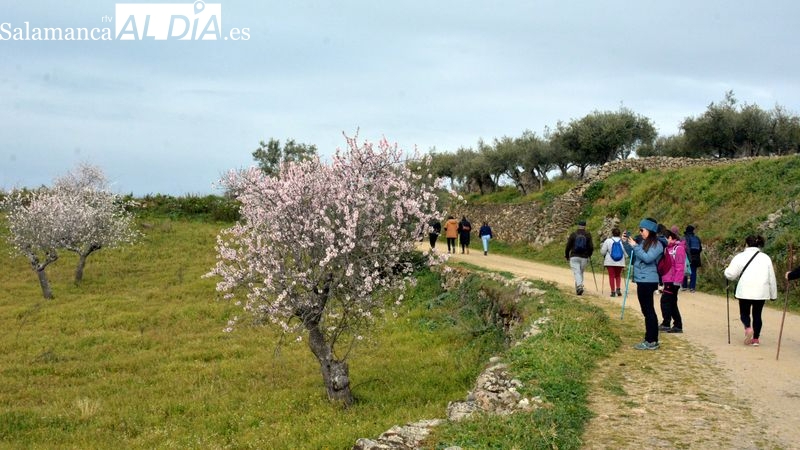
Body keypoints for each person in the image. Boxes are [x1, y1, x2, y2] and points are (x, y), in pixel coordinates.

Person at [724, 235, 777, 347]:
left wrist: (726, 271)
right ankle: (756, 339)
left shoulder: (740, 257)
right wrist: (773, 294)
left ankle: (748, 328)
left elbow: (731, 274)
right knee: (757, 315)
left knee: (744, 313)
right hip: (761, 291)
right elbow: (771, 277)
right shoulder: (766, 258)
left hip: (745, 291)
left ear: (746, 244)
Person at [622, 218, 664, 350]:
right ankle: (649, 338)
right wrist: (626, 244)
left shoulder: (657, 244)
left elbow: (647, 258)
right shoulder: (644, 243)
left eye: (642, 230)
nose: (640, 233)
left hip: (649, 280)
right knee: (646, 310)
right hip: (641, 279)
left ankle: (652, 340)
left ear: (650, 230)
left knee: (649, 310)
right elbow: (634, 256)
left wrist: (635, 246)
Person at [658, 227, 686, 333]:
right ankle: (677, 325)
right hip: (667, 279)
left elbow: (680, 266)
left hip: (673, 281)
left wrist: (677, 282)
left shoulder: (678, 249)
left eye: (665, 238)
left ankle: (666, 323)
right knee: (672, 302)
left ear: (670, 237)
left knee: (665, 301)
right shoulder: (668, 249)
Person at [564, 220, 594, 295]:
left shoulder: (573, 234)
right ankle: (579, 288)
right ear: (585, 226)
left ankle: (579, 286)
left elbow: (568, 247)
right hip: (584, 257)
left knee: (577, 272)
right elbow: (591, 247)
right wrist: (589, 255)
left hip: (574, 256)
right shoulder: (588, 234)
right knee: (580, 272)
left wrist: (567, 256)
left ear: (578, 225)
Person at [600, 227, 626, 297]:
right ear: (619, 234)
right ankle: (618, 288)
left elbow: (603, 252)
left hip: (610, 261)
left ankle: (613, 292)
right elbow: (625, 252)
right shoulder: (622, 241)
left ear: (612, 233)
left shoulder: (608, 241)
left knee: (611, 276)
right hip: (620, 261)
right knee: (618, 275)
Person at [683, 225, 703, 292]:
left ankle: (684, 286)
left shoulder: (686, 238)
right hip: (696, 257)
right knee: (693, 272)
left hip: (688, 257)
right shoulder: (697, 238)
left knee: (685, 271)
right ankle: (692, 288)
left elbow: (685, 248)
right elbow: (700, 248)